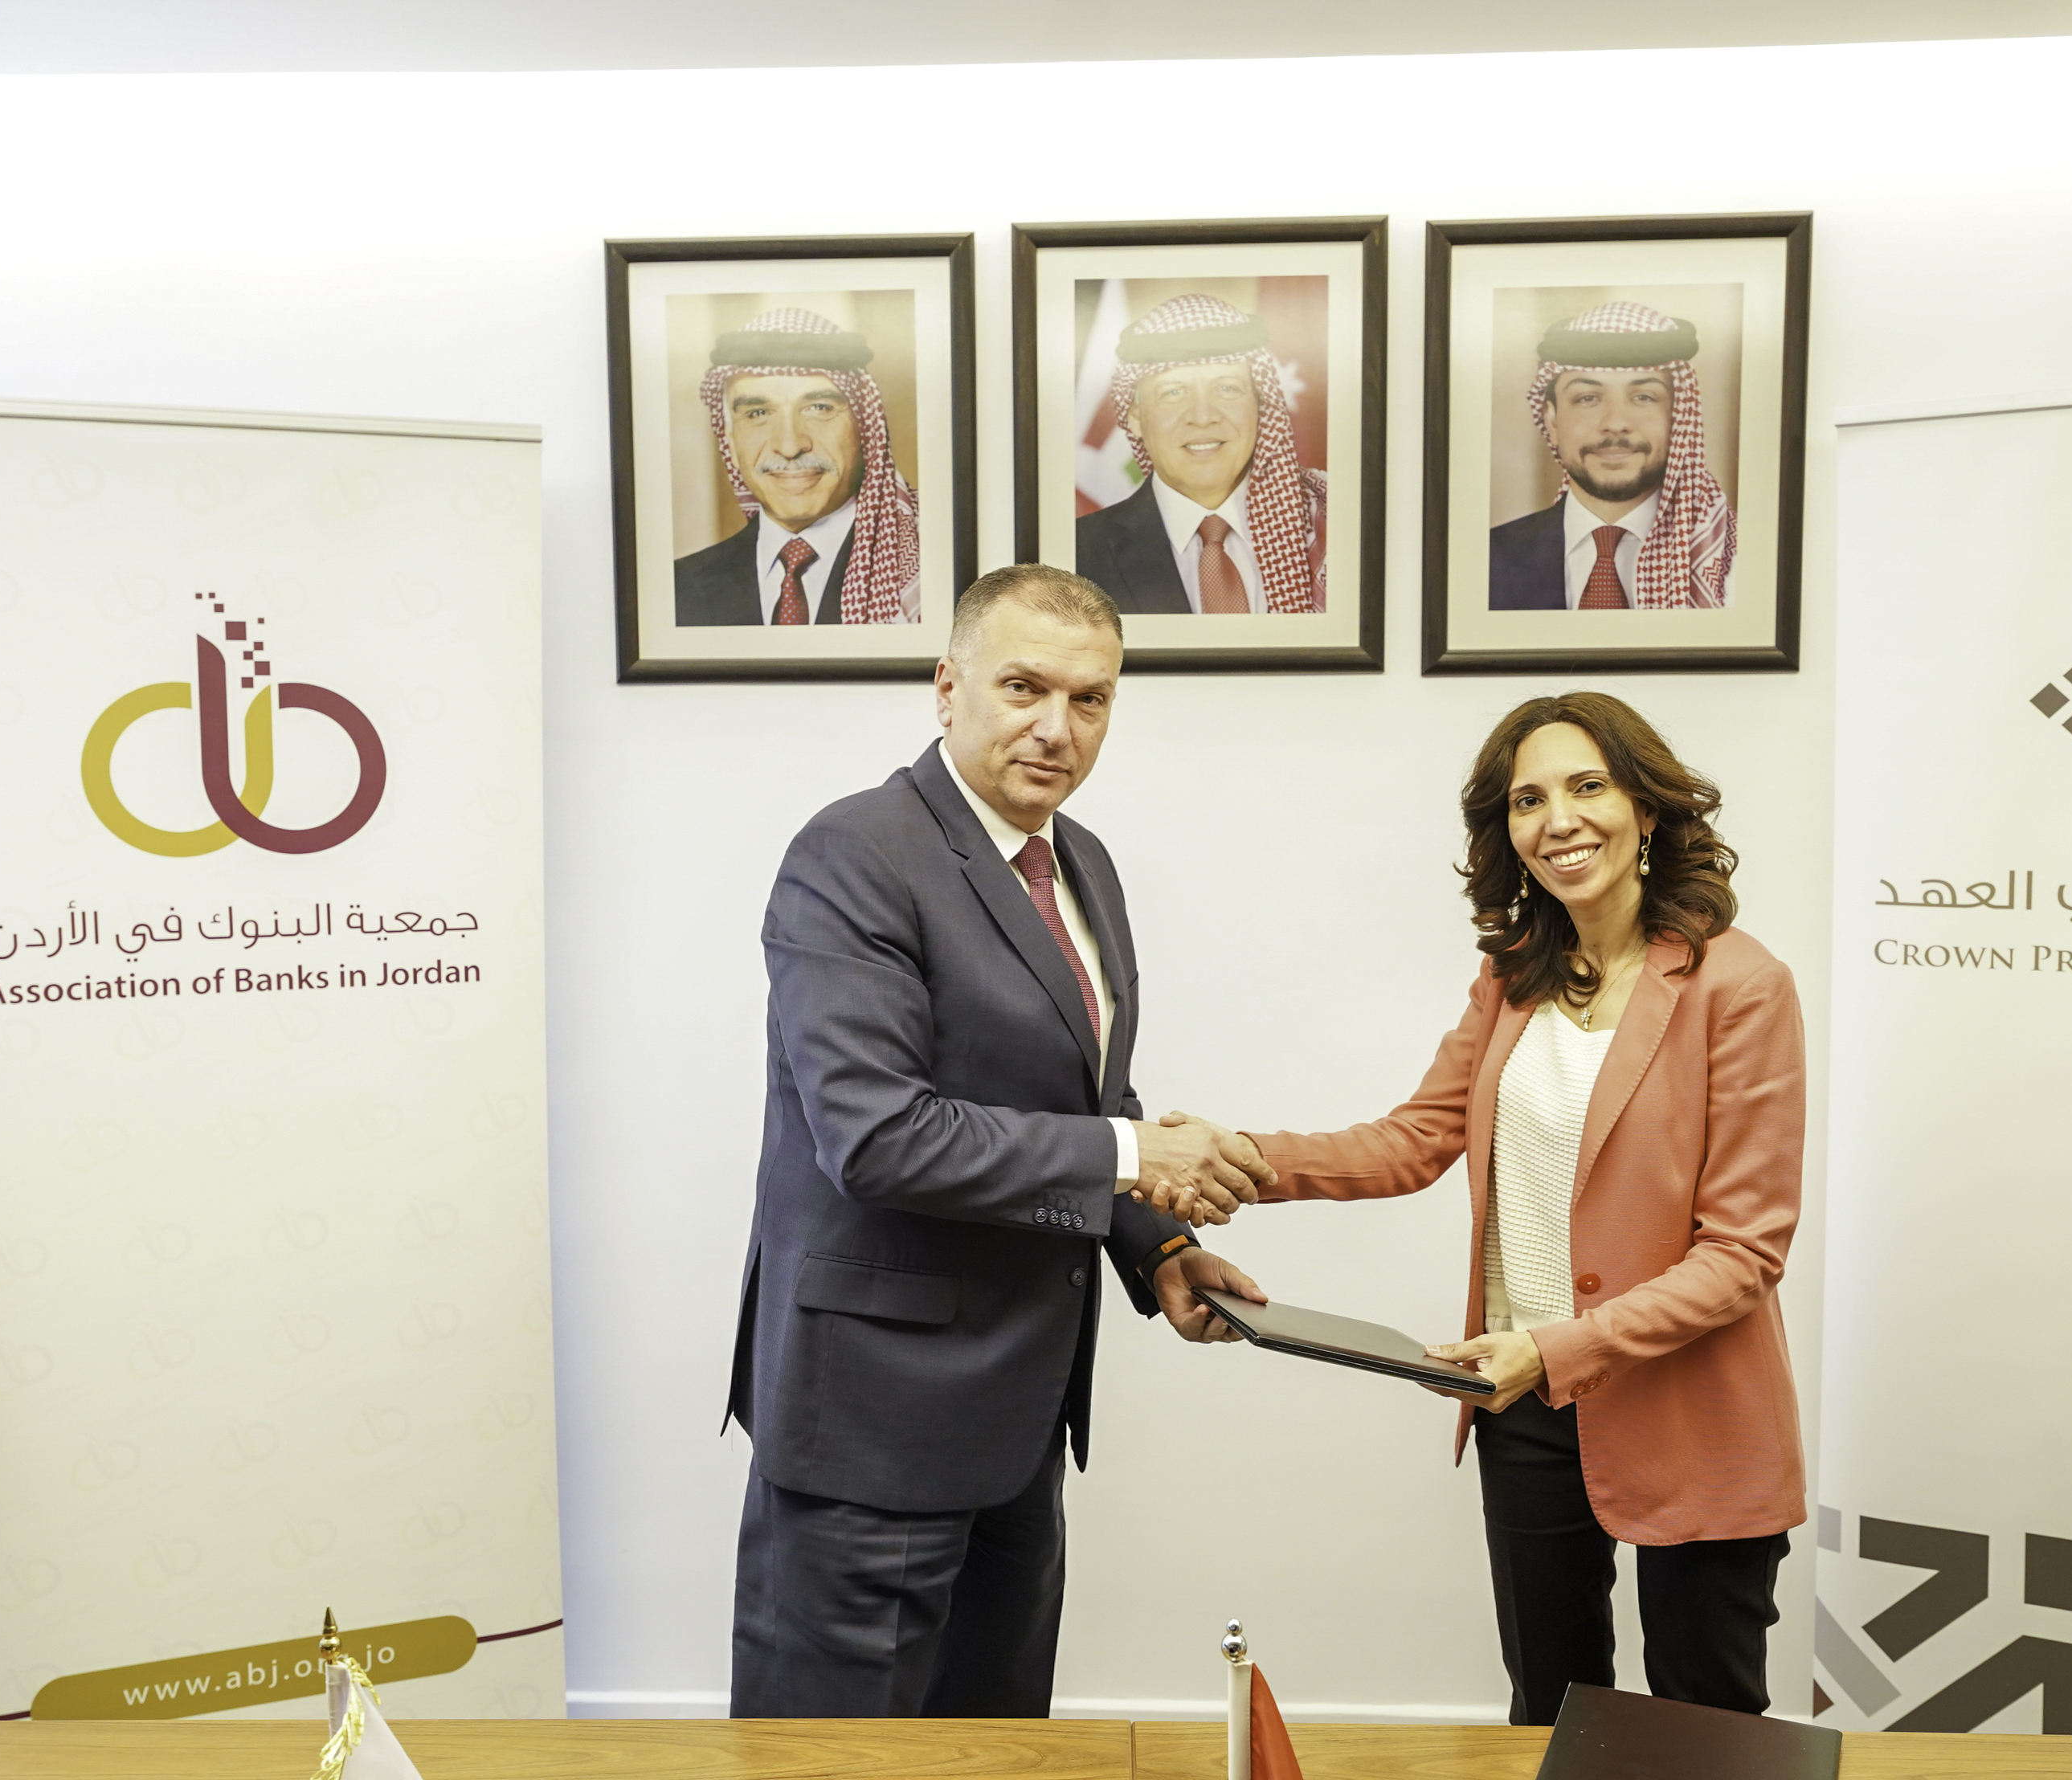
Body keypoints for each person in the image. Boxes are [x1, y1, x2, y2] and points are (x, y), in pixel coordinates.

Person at [725, 563, 1273, 1717]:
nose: (1056, 728)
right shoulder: (855, 852)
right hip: (871, 1426)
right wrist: (1135, 1158)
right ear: (946, 687)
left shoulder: (1083, 862)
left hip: (1019, 1420)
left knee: (999, 1749)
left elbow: (1086, 1092)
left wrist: (1159, 1248)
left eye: (1090, 698)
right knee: (831, 1764)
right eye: (1024, 687)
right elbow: (878, 1136)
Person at [1200, 691, 1804, 1725]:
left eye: (1587, 786)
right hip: (1522, 1407)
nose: (1558, 820)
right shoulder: (1513, 973)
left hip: (1687, 1411)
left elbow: (1742, 1252)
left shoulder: (1740, 985)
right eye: (1528, 799)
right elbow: (1412, 1139)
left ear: (1645, 808)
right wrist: (1238, 1157)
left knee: (1704, 1731)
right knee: (1550, 1715)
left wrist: (1557, 1347)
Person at [1075, 292, 1327, 617]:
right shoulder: (1077, 556)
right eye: (1174, 392)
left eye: (1227, 388)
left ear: (1260, 405)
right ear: (1134, 416)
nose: (1203, 416)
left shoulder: (1332, 526)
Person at [676, 306, 922, 627]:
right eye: (757, 414)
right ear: (731, 443)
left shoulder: (928, 573)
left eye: (819, 408)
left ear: (865, 430)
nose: (790, 446)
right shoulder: (677, 591)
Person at [1488, 302, 1735, 613]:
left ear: (1679, 417)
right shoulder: (1483, 563)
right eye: (1587, 398)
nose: (1615, 423)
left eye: (1643, 397)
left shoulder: (1735, 564)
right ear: (1552, 422)